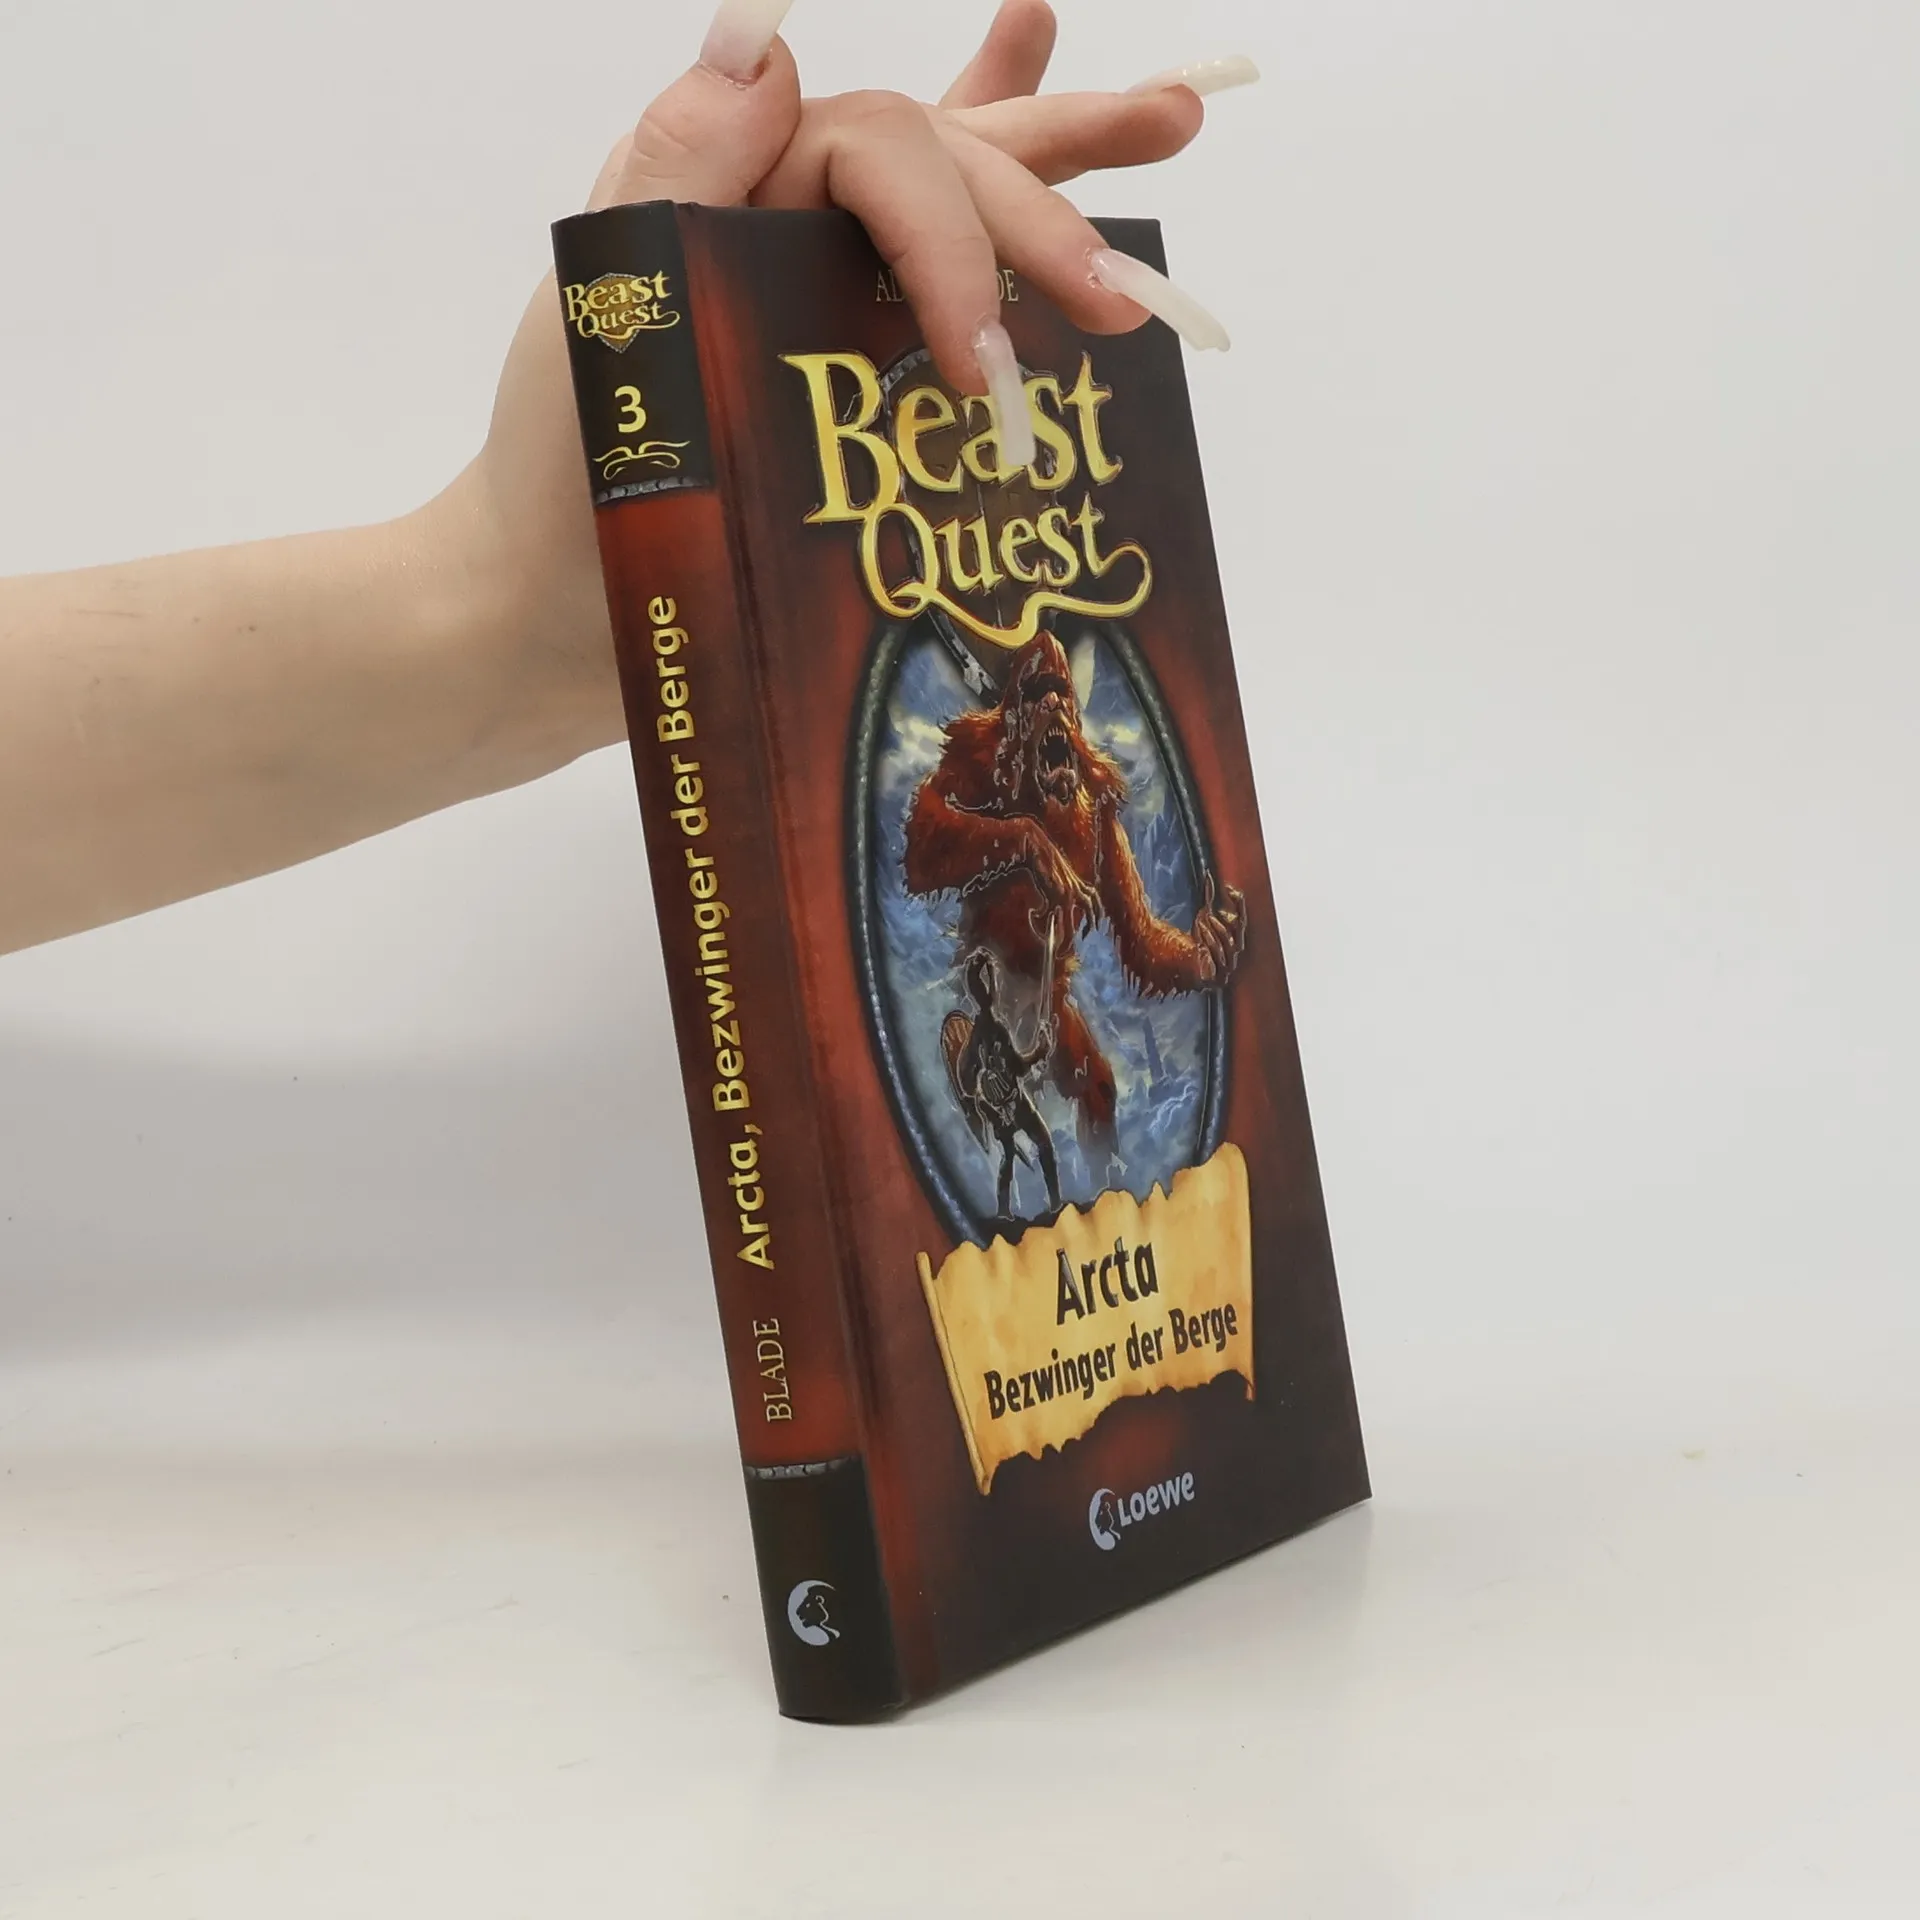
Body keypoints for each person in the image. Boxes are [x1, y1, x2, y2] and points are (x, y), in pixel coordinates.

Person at [0, 0, 1251, 959]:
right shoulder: (979, 755)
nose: (1054, 726)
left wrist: (523, 608)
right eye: (1042, 709)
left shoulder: (1085, 775)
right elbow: (924, 854)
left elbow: (1137, 920)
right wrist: (519, 596)